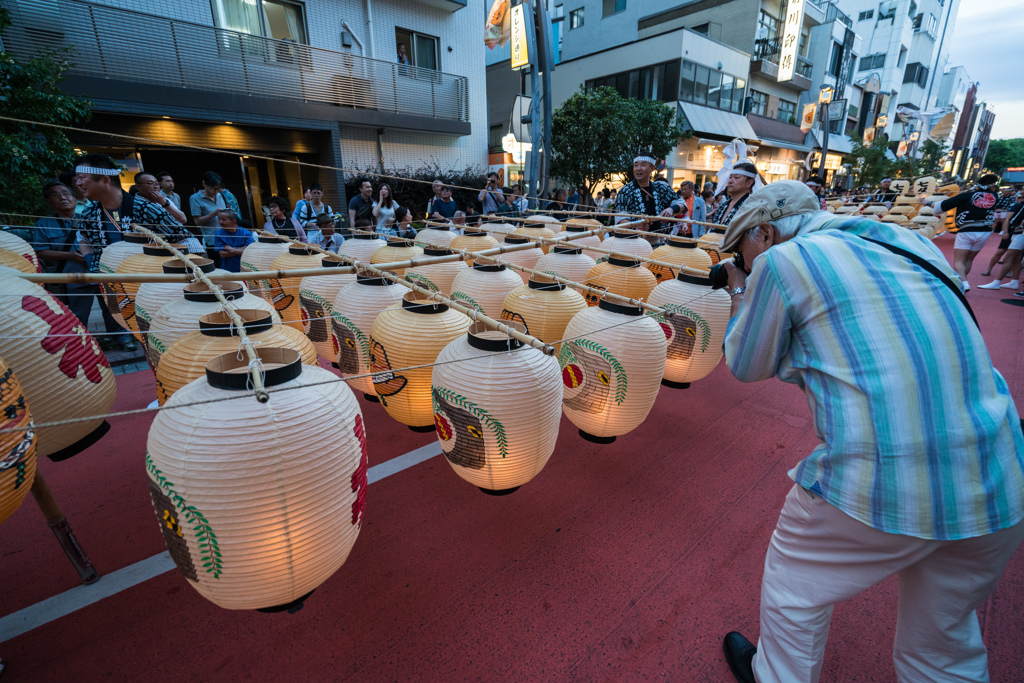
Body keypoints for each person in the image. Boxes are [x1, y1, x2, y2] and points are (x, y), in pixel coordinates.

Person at [717, 181, 1024, 683]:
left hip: (882, 476)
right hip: (1000, 472)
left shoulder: (782, 261)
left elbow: (746, 363)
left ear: (765, 233)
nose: (740, 258)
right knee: (943, 647)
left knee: (794, 586)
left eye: (740, 249)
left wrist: (737, 288)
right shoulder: (913, 242)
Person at [34, 180, 135, 351]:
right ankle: (81, 346)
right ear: (48, 201)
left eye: (66, 193)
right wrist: (70, 256)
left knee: (114, 308)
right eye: (55, 195)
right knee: (78, 314)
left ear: (74, 198)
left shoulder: (92, 219)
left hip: (100, 273)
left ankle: (122, 338)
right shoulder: (43, 224)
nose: (62, 198)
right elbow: (41, 251)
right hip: (73, 277)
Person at [76, 153, 187, 271]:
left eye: (81, 178)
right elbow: (83, 239)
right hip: (106, 282)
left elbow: (186, 239)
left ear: (105, 180)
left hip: (146, 281)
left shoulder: (146, 208)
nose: (78, 183)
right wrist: (92, 264)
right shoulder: (89, 212)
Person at [936, 173, 999, 291]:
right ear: (992, 186)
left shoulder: (967, 196)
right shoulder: (995, 196)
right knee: (969, 259)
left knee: (959, 260)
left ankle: (964, 283)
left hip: (967, 229)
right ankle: (962, 282)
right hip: (985, 231)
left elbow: (943, 206)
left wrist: (928, 203)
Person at [978, 195, 1024, 291]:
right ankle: (1014, 282)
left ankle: (997, 282)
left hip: (1020, 233)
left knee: (1008, 257)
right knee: (1017, 258)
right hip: (1016, 232)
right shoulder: (1019, 205)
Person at [189, 171, 229, 254]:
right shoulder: (195, 198)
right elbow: (197, 221)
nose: (216, 191)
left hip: (228, 236)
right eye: (213, 188)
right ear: (204, 184)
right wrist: (213, 214)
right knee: (218, 265)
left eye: (218, 188)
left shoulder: (219, 195)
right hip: (212, 240)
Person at [709, 162, 757, 226]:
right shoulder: (723, 205)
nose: (730, 181)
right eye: (730, 177)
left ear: (749, 182)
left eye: (736, 177)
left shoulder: (751, 207)